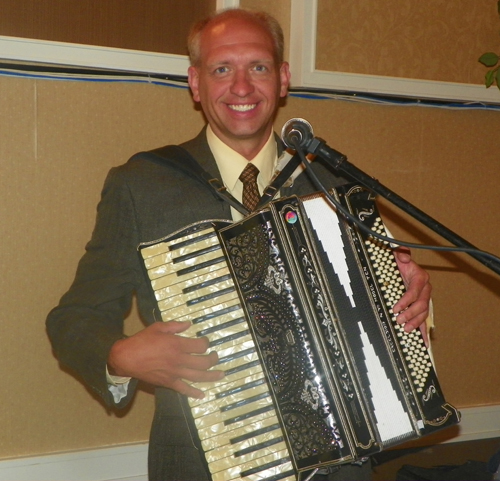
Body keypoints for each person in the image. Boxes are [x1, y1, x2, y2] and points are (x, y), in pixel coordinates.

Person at [46, 8, 432, 481]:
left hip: (340, 461)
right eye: (222, 69)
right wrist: (120, 355)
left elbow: (387, 321)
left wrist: (409, 298)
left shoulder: (332, 182)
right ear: (195, 82)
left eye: (259, 67)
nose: (242, 87)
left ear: (283, 78)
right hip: (196, 457)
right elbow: (74, 319)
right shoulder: (142, 185)